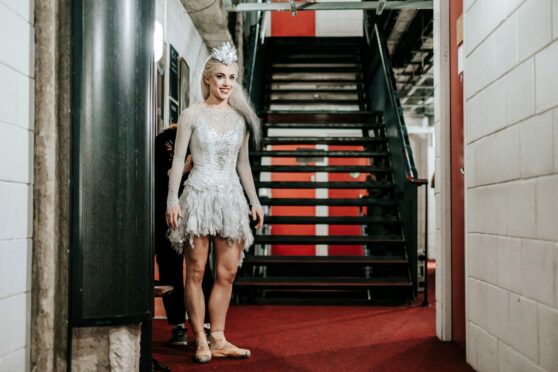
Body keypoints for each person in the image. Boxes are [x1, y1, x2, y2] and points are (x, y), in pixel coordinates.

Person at [165, 42, 264, 364]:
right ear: (208, 78)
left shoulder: (240, 119)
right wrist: (172, 201)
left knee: (228, 272)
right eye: (220, 76)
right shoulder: (192, 114)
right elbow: (179, 160)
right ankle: (200, 340)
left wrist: (255, 201)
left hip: (231, 198)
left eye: (232, 77)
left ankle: (218, 337)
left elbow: (243, 164)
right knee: (195, 271)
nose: (226, 83)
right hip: (198, 195)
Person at [155, 126, 214, 346]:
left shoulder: (203, 139)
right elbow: (159, 176)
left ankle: (205, 325)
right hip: (166, 210)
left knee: (199, 268)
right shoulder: (163, 141)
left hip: (196, 209)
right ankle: (178, 325)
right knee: (170, 266)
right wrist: (184, 168)